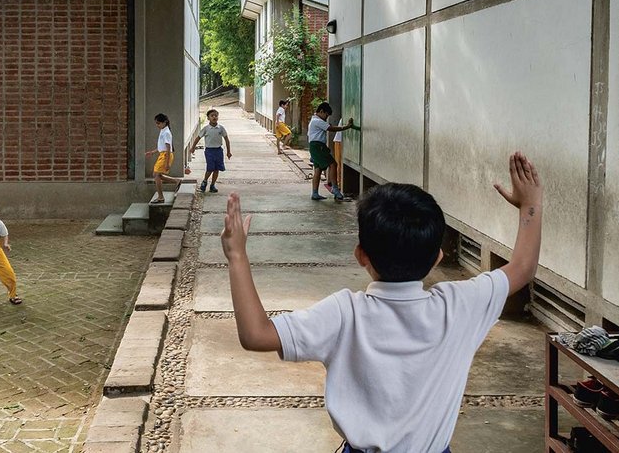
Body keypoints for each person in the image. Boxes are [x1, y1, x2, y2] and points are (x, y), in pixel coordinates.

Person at [221, 152, 543, 453]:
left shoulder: (345, 314)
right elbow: (522, 268)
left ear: (361, 255)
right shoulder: (458, 307)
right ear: (438, 258)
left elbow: (255, 334)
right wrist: (531, 204)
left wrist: (237, 256)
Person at [308, 102, 353, 201]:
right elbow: (331, 128)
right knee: (333, 164)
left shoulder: (314, 120)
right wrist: (347, 127)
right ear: (321, 111)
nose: (326, 117)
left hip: (314, 146)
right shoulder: (317, 121)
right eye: (326, 115)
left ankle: (315, 193)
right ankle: (335, 189)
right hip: (318, 146)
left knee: (318, 170)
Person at [189, 109, 232, 193]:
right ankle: (205, 181)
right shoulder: (206, 129)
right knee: (210, 168)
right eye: (212, 115)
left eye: (216, 115)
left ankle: (212, 185)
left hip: (218, 150)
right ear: (208, 118)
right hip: (209, 151)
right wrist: (193, 147)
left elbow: (226, 139)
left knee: (217, 169)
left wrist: (228, 152)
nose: (214, 117)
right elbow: (198, 138)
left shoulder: (221, 128)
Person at [146, 113, 183, 204]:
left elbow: (168, 147)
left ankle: (161, 197)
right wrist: (152, 152)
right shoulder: (163, 130)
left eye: (158, 123)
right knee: (157, 175)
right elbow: (161, 147)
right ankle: (176, 181)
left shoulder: (166, 132)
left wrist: (167, 163)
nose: (157, 125)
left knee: (156, 175)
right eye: (156, 123)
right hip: (163, 154)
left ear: (164, 122)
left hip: (166, 155)